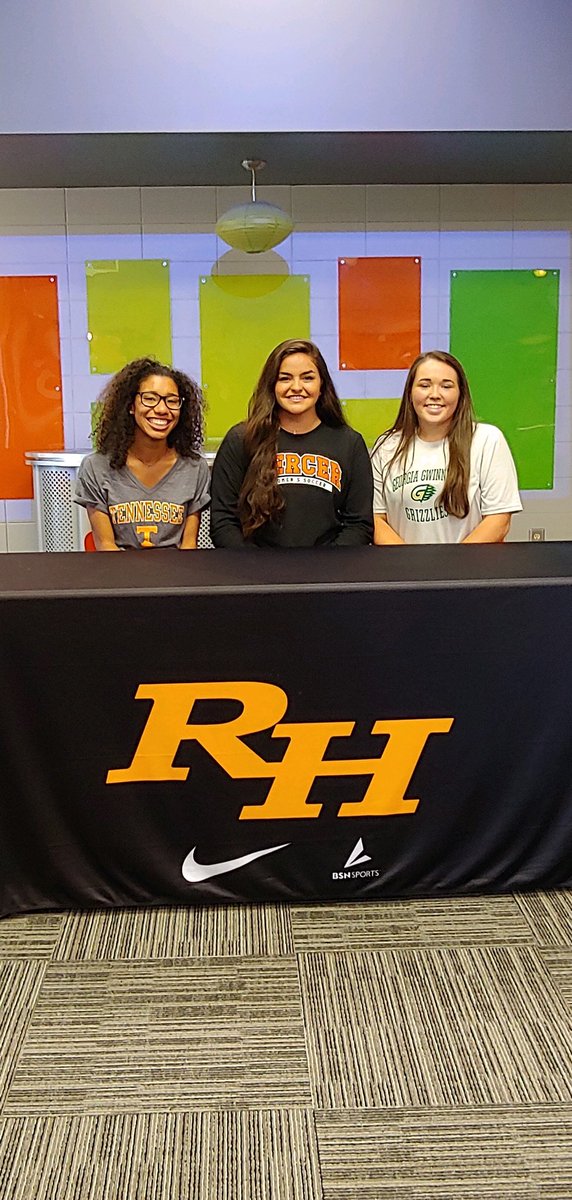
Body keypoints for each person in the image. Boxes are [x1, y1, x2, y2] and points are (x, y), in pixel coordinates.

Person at [210, 339, 373, 547]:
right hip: (254, 565)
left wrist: (327, 564)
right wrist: (253, 563)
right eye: (285, 378)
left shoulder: (349, 443)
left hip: (329, 565)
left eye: (307, 378)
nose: (296, 387)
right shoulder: (241, 439)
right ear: (272, 385)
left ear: (322, 385)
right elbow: (223, 522)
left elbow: (359, 525)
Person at [370, 350, 522, 544]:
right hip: (404, 564)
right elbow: (376, 519)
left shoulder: (487, 440)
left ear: (460, 394)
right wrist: (407, 561)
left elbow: (498, 521)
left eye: (446, 386)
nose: (435, 395)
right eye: (424, 385)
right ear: (410, 393)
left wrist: (454, 561)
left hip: (470, 563)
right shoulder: (387, 447)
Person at [74, 357, 210, 550]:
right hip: (118, 569)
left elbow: (189, 546)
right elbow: (105, 546)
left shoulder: (195, 469)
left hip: (177, 569)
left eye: (172, 401)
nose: (162, 409)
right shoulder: (96, 468)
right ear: (131, 405)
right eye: (150, 398)